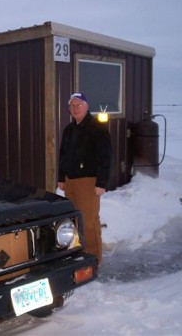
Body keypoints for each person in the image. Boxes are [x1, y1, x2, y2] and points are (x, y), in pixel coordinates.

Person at [58, 92, 112, 265]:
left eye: (79, 104)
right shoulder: (69, 129)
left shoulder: (97, 128)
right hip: (70, 180)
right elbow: (63, 155)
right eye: (72, 105)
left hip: (88, 181)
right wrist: (61, 178)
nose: (75, 108)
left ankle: (93, 259)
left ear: (87, 106)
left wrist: (102, 182)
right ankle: (77, 252)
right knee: (73, 219)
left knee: (89, 221)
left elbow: (106, 156)